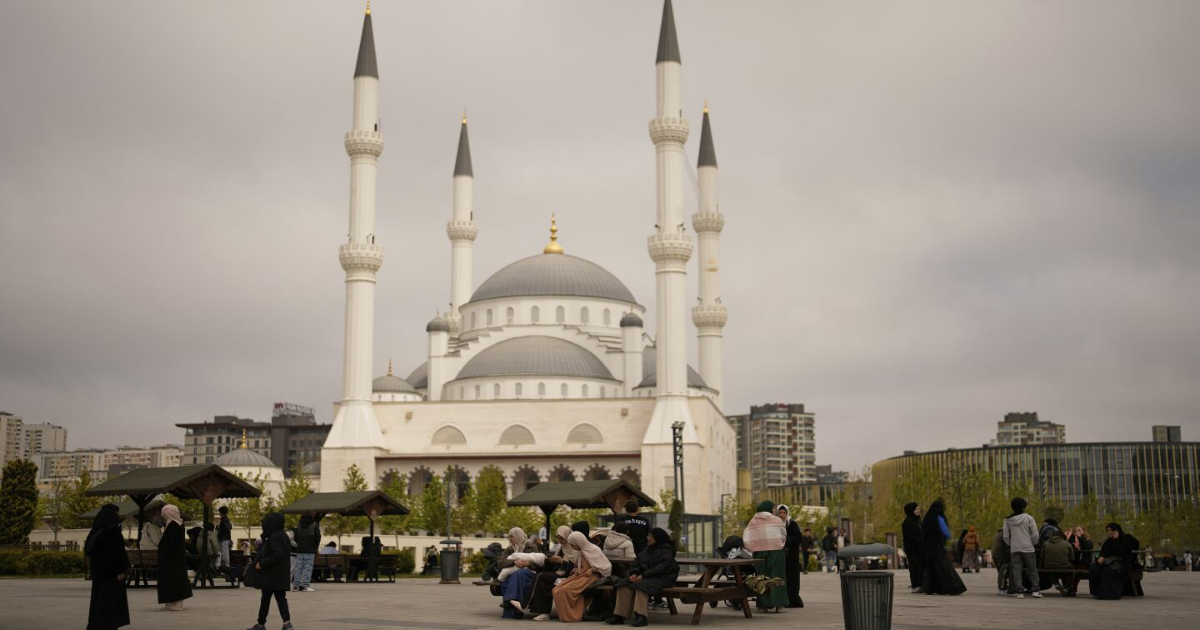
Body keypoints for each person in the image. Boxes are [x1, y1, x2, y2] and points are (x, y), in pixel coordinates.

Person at [607, 528, 679, 627]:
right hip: (647, 577)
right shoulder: (648, 549)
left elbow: (661, 568)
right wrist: (634, 573)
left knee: (642, 586)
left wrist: (643, 575)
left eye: (650, 536)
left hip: (663, 578)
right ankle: (620, 616)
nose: (648, 538)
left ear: (657, 538)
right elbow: (637, 562)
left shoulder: (667, 550)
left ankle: (641, 616)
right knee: (623, 585)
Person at [549, 531, 612, 622]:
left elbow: (606, 567)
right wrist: (576, 570)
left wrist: (593, 569)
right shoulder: (580, 551)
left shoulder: (593, 549)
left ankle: (574, 615)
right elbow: (579, 567)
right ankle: (566, 615)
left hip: (591, 577)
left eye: (573, 544)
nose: (572, 547)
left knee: (565, 590)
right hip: (580, 576)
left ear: (578, 542)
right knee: (556, 589)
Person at [86, 503, 130, 630]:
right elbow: (117, 554)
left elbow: (89, 551)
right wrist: (120, 570)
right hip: (112, 576)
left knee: (99, 602)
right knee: (111, 603)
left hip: (99, 574)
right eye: (116, 513)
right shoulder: (112, 532)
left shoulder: (95, 531)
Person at [248, 512, 293, 630]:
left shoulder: (274, 536)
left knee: (265, 598)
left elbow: (276, 554)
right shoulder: (283, 535)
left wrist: (261, 564)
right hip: (281, 574)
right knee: (280, 598)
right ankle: (287, 623)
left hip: (272, 574)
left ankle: (261, 624)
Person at [743, 500, 788, 612]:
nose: (774, 510)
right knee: (777, 576)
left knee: (761, 578)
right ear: (768, 508)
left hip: (760, 553)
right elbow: (783, 534)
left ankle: (763, 605)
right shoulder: (777, 520)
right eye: (773, 508)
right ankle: (779, 605)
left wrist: (753, 547)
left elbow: (747, 536)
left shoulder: (753, 521)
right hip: (776, 552)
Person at [528, 526, 578, 620]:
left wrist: (562, 562)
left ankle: (531, 605)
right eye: (558, 538)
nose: (560, 541)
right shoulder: (560, 548)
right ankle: (541, 611)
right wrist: (551, 560)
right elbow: (553, 566)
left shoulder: (575, 548)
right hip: (558, 573)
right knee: (540, 576)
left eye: (562, 538)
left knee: (542, 577)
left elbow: (576, 566)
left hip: (570, 575)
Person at [920, 499, 966, 595]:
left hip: (927, 547)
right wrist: (948, 537)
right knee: (943, 566)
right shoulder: (939, 518)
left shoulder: (926, 518)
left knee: (931, 567)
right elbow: (945, 532)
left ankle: (931, 587)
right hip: (937, 546)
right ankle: (949, 588)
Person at [1003, 497, 1041, 598]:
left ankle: (1019, 591)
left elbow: (1005, 536)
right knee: (1032, 569)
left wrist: (1011, 544)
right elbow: (1035, 534)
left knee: (1016, 570)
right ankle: (1035, 590)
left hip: (1015, 548)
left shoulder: (1007, 520)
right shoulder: (1029, 518)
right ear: (1023, 507)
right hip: (1028, 547)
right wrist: (1034, 543)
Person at [156, 504, 192, 611]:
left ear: (168, 513)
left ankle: (176, 604)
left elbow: (173, 545)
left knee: (174, 581)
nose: (162, 514)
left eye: (163, 512)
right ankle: (170, 603)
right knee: (170, 581)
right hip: (173, 560)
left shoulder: (174, 525)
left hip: (172, 560)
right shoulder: (173, 524)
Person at [776, 505, 804, 608]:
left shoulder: (791, 524)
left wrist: (787, 540)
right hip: (781, 556)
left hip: (791, 557)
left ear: (787, 513)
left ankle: (793, 600)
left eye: (784, 513)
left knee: (792, 578)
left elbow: (799, 538)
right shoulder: (776, 525)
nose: (782, 515)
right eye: (780, 513)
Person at [1040, 528, 1078, 595]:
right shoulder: (1067, 544)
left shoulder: (1046, 543)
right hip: (1064, 565)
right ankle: (1067, 588)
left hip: (1049, 565)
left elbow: (1042, 557)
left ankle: (1056, 583)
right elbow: (1072, 558)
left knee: (1051, 569)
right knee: (1071, 571)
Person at [291, 511, 321, 592]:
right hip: (310, 550)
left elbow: (296, 538)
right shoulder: (314, 525)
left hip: (300, 549)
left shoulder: (298, 525)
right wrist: (315, 546)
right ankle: (305, 586)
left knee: (298, 568)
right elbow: (318, 537)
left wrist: (300, 544)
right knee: (308, 568)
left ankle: (296, 586)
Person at [901, 503, 924, 593]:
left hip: (920, 548)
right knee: (914, 567)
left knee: (920, 567)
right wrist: (920, 541)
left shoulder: (918, 520)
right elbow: (911, 537)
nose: (918, 510)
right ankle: (916, 585)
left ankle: (921, 584)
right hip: (912, 549)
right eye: (916, 509)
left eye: (918, 509)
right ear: (911, 511)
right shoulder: (907, 522)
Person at [991, 527, 1010, 595]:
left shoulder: (998, 533)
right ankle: (1003, 588)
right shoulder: (1004, 534)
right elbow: (1008, 544)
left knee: (1000, 572)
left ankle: (1000, 588)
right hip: (1000, 555)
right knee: (1003, 572)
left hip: (995, 554)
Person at [217, 506, 233, 570]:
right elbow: (230, 527)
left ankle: (226, 565)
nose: (219, 513)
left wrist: (219, 529)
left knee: (224, 551)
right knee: (222, 551)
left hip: (224, 538)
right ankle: (224, 564)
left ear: (221, 512)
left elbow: (228, 527)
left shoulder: (224, 519)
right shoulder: (225, 519)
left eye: (219, 512)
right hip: (224, 538)